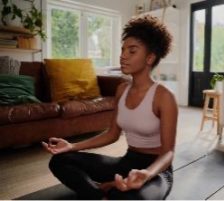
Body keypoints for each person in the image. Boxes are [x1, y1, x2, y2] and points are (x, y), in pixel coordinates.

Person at [42, 15, 178, 200]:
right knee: (60, 160)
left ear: (150, 57)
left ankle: (113, 190)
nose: (123, 55)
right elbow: (112, 134)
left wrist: (147, 174)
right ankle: (101, 194)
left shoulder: (164, 96)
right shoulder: (122, 89)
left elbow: (168, 153)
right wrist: (72, 146)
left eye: (132, 51)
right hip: (127, 162)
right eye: (123, 50)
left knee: (137, 198)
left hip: (157, 172)